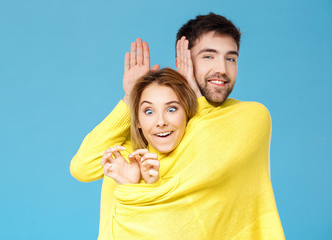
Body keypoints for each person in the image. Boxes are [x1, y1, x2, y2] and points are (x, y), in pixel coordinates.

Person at [70, 12, 285, 239]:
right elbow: (83, 167)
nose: (222, 68)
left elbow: (206, 144)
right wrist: (129, 99)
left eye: (231, 58)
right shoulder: (142, 142)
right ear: (184, 61)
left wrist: (193, 96)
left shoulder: (249, 117)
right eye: (208, 57)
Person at [100, 68, 198, 185]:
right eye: (149, 112)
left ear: (187, 114)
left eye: (171, 109)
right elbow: (81, 168)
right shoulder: (124, 164)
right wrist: (127, 185)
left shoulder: (204, 157)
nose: (161, 122)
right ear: (138, 121)